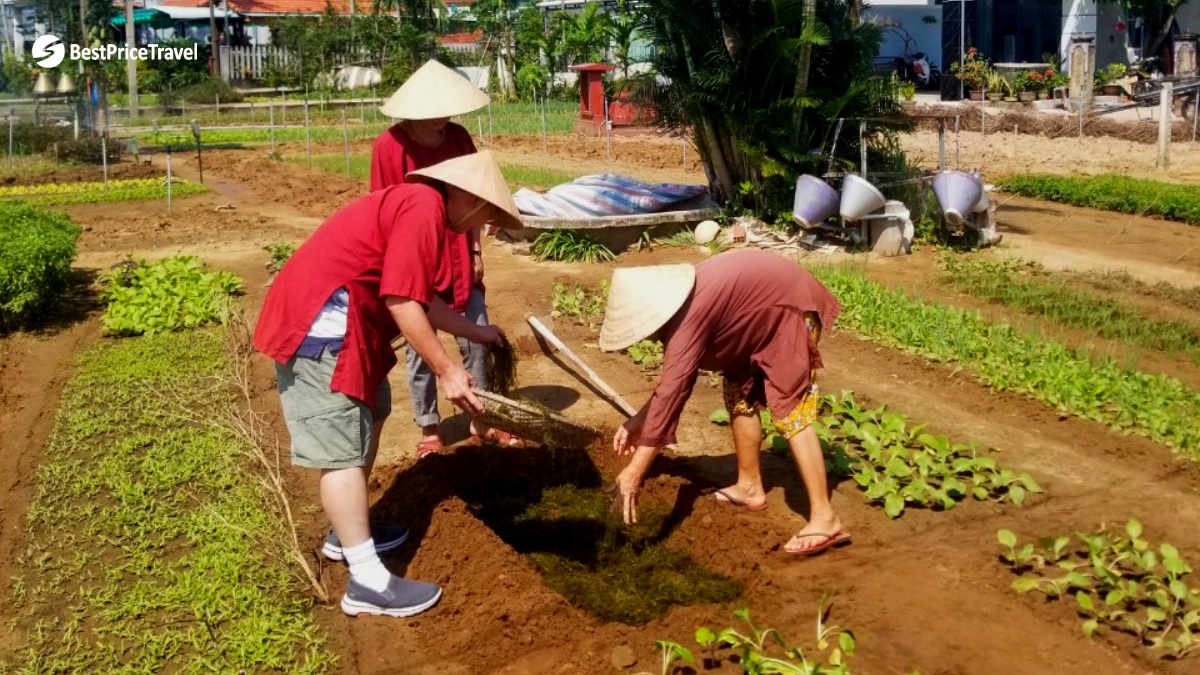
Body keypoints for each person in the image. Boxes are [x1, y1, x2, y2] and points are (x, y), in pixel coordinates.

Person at [253, 150, 523, 617]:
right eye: (486, 214)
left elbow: (421, 296)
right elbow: (401, 301)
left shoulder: (423, 208)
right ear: (466, 197)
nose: (483, 225)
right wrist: (447, 370)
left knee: (372, 414)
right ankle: (367, 583)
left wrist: (476, 331)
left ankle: (348, 533)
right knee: (340, 448)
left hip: (349, 326)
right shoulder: (423, 207)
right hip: (321, 331)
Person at [600, 249, 850, 556]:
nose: (645, 339)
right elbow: (675, 383)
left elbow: (674, 392)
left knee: (790, 409)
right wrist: (640, 419)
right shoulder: (683, 305)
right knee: (737, 393)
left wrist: (635, 471)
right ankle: (749, 486)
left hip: (791, 308)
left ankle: (825, 518)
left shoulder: (686, 319)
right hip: (758, 315)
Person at [371, 59, 519, 459]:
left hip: (457, 254)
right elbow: (382, 212)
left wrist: (474, 249)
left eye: (448, 109)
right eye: (435, 111)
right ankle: (430, 427)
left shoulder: (458, 138)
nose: (444, 117)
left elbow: (474, 197)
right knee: (422, 345)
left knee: (478, 335)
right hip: (415, 258)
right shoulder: (390, 147)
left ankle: (482, 419)